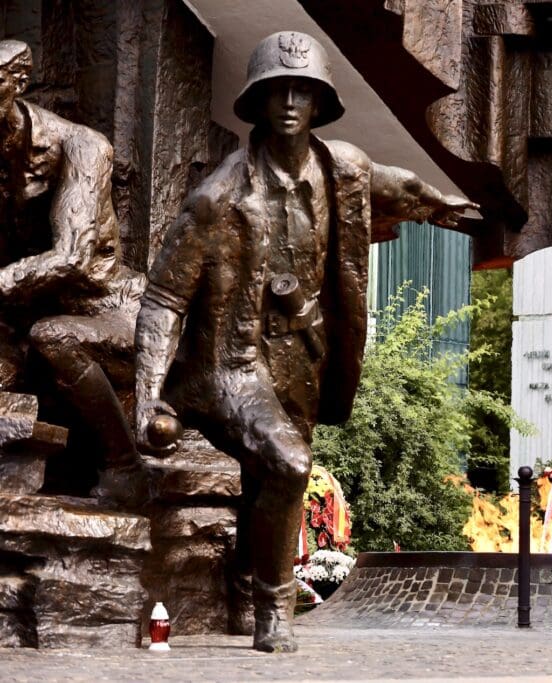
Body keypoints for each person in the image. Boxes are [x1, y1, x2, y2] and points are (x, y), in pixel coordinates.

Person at [133, 31, 478, 653]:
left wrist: (437, 203)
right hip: (232, 363)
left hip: (306, 355)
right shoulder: (217, 199)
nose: (291, 101)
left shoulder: (340, 166)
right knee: (290, 465)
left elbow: (392, 184)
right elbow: (162, 299)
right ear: (257, 101)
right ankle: (273, 608)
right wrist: (147, 396)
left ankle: (242, 588)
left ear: (321, 102)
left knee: (264, 474)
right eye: (277, 90)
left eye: (304, 90)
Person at [0, 39, 145, 503]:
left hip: (109, 312)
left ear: (16, 84)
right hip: (21, 321)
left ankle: (124, 465)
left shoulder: (83, 147)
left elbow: (72, 256)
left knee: (54, 337)